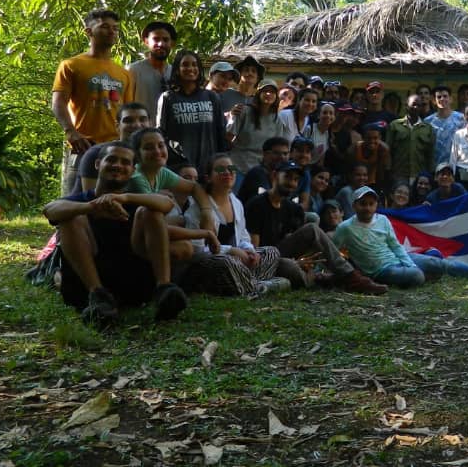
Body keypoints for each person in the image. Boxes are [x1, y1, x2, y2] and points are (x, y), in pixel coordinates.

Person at [43, 142, 186, 327]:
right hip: (89, 286)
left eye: (125, 162)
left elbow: (166, 204)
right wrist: (92, 207)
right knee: (70, 217)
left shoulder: (135, 199)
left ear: (133, 170)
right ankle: (98, 295)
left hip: (135, 282)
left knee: (151, 211)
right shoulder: (81, 200)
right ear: (97, 164)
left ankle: (164, 289)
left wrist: (123, 197)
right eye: (111, 159)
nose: (118, 165)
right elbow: (49, 210)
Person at [244, 161, 387, 294]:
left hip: (283, 254)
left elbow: (296, 242)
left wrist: (301, 260)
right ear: (274, 176)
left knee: (311, 229)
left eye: (295, 180)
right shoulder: (257, 205)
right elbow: (255, 252)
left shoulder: (291, 208)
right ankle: (326, 278)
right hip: (264, 259)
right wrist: (295, 262)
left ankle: (350, 278)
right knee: (291, 267)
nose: (291, 183)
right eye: (287, 177)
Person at [180, 153, 300, 296]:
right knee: (225, 261)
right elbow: (196, 251)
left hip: (237, 264)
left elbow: (243, 237)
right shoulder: (198, 208)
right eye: (220, 169)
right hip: (211, 265)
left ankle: (252, 286)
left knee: (270, 251)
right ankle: (259, 286)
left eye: (231, 168)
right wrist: (229, 250)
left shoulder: (236, 203)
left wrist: (250, 251)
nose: (227, 172)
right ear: (208, 178)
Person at [334, 186, 468, 288]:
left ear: (376, 205)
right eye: (363, 204)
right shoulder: (345, 228)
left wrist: (408, 263)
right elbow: (333, 252)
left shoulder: (382, 219)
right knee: (417, 276)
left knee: (439, 262)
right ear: (354, 205)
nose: (367, 208)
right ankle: (425, 274)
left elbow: (396, 245)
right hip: (381, 271)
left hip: (398, 259)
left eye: (371, 204)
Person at [52, 9, 133, 195]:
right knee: (73, 205)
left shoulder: (124, 73)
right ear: (89, 31)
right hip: (83, 146)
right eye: (105, 27)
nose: (112, 31)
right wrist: (71, 132)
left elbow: (126, 113)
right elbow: (58, 102)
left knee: (113, 205)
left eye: (115, 28)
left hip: (115, 149)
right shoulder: (71, 65)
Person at [157, 50, 226, 177]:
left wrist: (223, 170)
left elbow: (221, 135)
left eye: (194, 64)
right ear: (177, 69)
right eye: (185, 64)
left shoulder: (212, 97)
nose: (190, 68)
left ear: (199, 69)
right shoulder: (168, 98)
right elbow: (161, 135)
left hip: (208, 170)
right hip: (179, 170)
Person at [76, 102, 150, 192]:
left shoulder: (154, 155)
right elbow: (93, 200)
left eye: (142, 120)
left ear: (150, 124)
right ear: (117, 126)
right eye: (128, 120)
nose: (137, 125)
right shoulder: (98, 153)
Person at [228, 80, 287, 185]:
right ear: (258, 94)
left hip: (261, 170)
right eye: (265, 91)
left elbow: (279, 147)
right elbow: (228, 136)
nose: (268, 94)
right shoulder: (244, 111)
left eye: (272, 92)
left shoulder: (277, 119)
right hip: (237, 165)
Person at [126, 21, 176, 126]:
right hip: (141, 132)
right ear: (146, 41)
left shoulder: (175, 72)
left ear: (172, 43)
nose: (161, 44)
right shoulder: (133, 70)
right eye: (156, 39)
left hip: (172, 134)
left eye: (165, 40)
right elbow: (125, 105)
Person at [385, 94, 434, 184]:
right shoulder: (394, 125)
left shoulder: (428, 128)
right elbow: (388, 150)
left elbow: (430, 154)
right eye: (414, 104)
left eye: (419, 105)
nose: (416, 107)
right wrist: (388, 171)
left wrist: (429, 174)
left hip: (419, 175)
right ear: (406, 106)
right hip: (399, 174)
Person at [237, 137, 291, 206]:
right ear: (265, 154)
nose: (282, 157)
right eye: (276, 153)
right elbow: (265, 203)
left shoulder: (283, 175)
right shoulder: (257, 173)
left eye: (285, 154)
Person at [426, 85, 466, 167]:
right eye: (439, 97)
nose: (442, 99)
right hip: (434, 167)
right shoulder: (428, 122)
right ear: (434, 100)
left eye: (445, 96)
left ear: (451, 99)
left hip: (456, 166)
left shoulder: (461, 119)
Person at [303, 102, 337, 167]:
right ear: (319, 115)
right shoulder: (309, 129)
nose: (328, 115)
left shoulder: (329, 134)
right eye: (325, 113)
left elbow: (322, 155)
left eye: (331, 113)